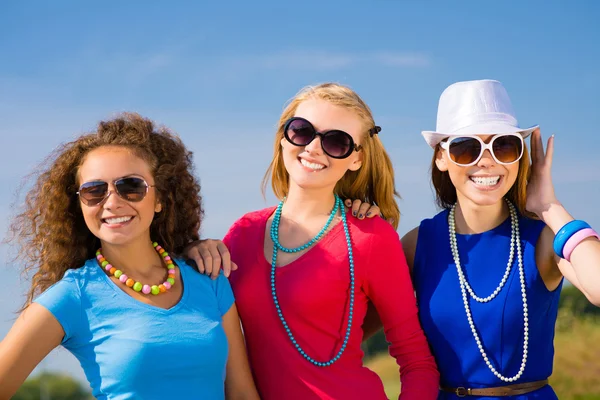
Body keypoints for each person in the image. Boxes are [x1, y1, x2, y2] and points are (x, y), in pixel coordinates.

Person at [346, 79, 600, 398]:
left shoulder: (544, 239)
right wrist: (350, 231)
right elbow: (348, 333)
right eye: (466, 148)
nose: (486, 160)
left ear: (520, 156)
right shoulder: (418, 243)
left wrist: (549, 206)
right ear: (441, 157)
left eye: (504, 145)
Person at [186, 83, 440, 399]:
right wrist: (190, 251)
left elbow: (416, 357)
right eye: (302, 131)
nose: (314, 148)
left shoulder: (371, 237)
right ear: (283, 138)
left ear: (356, 159)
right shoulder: (241, 233)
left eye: (336, 141)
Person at [0, 113, 259, 400]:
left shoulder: (209, 279)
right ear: (80, 205)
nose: (112, 202)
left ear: (159, 199)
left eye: (131, 186)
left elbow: (242, 392)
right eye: (94, 191)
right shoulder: (73, 296)